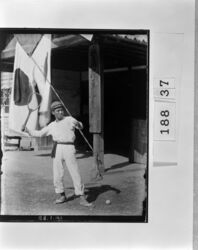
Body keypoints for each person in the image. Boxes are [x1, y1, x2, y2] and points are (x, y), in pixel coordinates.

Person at [25, 101, 92, 207]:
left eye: (61, 110)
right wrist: (29, 131)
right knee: (57, 174)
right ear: (53, 113)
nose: (60, 112)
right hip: (58, 148)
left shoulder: (70, 120)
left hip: (69, 148)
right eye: (58, 111)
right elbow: (40, 133)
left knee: (75, 173)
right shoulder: (51, 125)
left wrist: (78, 124)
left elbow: (81, 126)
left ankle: (81, 197)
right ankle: (62, 195)